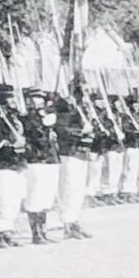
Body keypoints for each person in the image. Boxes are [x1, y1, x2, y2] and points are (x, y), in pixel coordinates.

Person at [0, 84, 28, 247]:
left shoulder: (14, 116)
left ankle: (8, 230)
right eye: (9, 97)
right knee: (2, 199)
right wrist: (8, 144)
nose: (13, 100)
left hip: (16, 163)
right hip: (2, 163)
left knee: (14, 200)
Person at [53, 81, 95, 240]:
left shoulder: (82, 109)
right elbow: (62, 130)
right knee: (68, 187)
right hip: (68, 152)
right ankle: (67, 223)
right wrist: (81, 132)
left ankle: (74, 219)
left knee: (78, 188)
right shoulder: (65, 109)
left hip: (80, 152)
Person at [21, 88, 59, 244]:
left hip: (50, 158)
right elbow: (36, 136)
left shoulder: (47, 115)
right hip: (36, 158)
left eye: (41, 99)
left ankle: (43, 230)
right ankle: (35, 233)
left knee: (46, 196)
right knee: (35, 196)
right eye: (35, 99)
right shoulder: (28, 118)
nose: (39, 102)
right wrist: (44, 125)